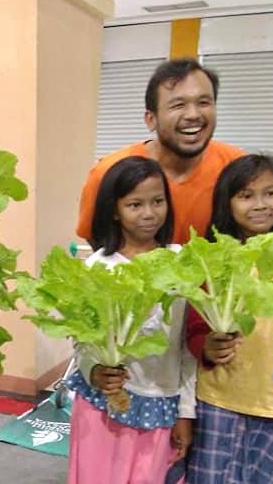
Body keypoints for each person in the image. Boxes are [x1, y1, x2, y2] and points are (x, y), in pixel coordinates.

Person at [185, 154, 273, 484]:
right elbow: (194, 330)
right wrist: (206, 348)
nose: (260, 204)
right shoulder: (212, 258)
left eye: (270, 193)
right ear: (227, 204)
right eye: (246, 196)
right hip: (219, 400)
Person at [66, 156, 197, 484]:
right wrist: (94, 371)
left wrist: (186, 412)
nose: (149, 213)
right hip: (101, 405)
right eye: (135, 204)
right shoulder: (98, 267)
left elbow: (185, 348)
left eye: (158, 201)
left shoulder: (181, 262)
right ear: (114, 210)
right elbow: (82, 341)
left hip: (159, 402)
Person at [76, 58, 245, 245]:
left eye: (204, 102)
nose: (193, 115)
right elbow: (97, 237)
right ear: (151, 119)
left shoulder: (237, 167)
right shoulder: (108, 172)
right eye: (178, 105)